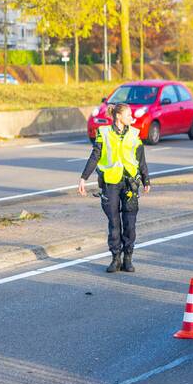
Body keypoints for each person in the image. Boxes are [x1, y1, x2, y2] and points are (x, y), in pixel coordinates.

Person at [78, 103, 151, 273]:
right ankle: (115, 258)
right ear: (118, 116)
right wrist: (83, 178)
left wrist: (146, 180)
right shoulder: (103, 132)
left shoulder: (134, 133)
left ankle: (128, 259)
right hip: (110, 183)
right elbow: (95, 156)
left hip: (130, 183)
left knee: (130, 223)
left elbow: (141, 159)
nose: (131, 117)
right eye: (128, 114)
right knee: (114, 223)